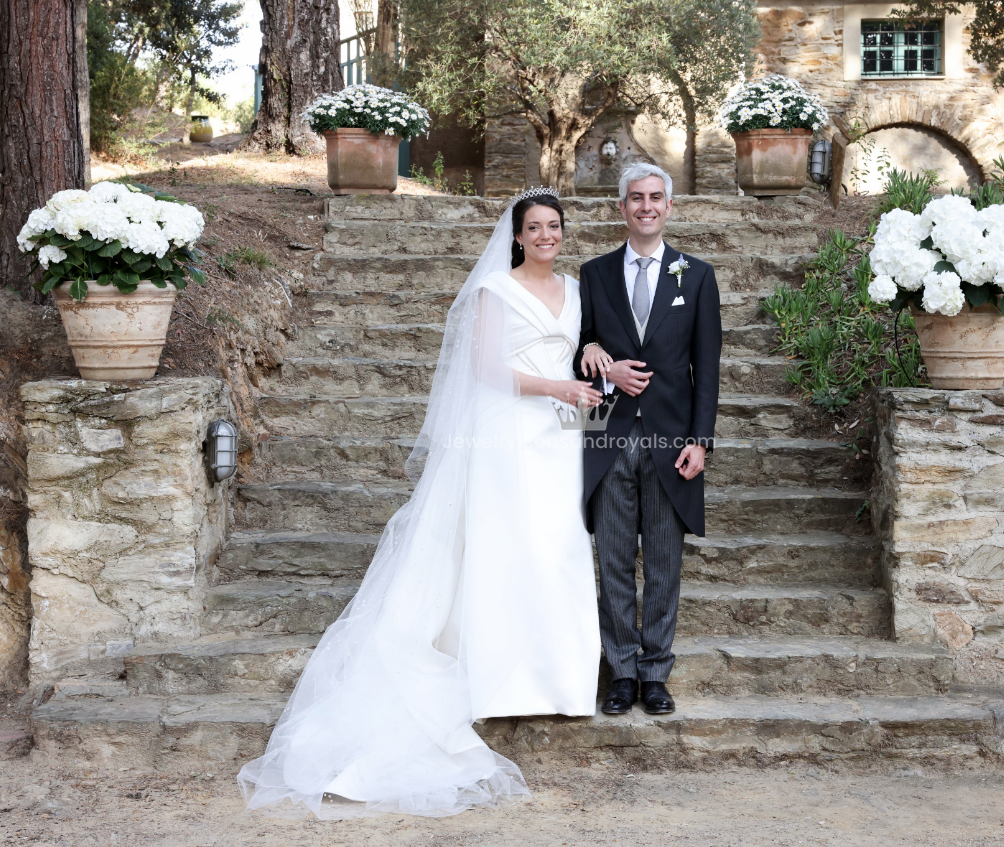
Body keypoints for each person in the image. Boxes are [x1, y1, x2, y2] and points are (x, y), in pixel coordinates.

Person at [238, 188, 615, 819]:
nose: (546, 236)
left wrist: (589, 354)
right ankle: (499, 679)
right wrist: (558, 383)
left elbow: (574, 345)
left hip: (560, 435)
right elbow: (488, 368)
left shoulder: (577, 291)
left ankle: (560, 678)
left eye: (555, 226)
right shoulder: (496, 289)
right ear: (517, 236)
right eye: (535, 228)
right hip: (505, 431)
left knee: (558, 545)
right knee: (504, 546)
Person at [575, 163, 723, 718]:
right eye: (635, 198)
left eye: (656, 197)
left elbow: (706, 367)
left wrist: (701, 441)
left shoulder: (697, 276)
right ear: (621, 208)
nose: (646, 206)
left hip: (671, 441)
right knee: (611, 558)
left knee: (664, 561)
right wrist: (595, 361)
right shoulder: (593, 275)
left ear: (668, 206)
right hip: (608, 436)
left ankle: (656, 673)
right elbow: (576, 348)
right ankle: (621, 672)